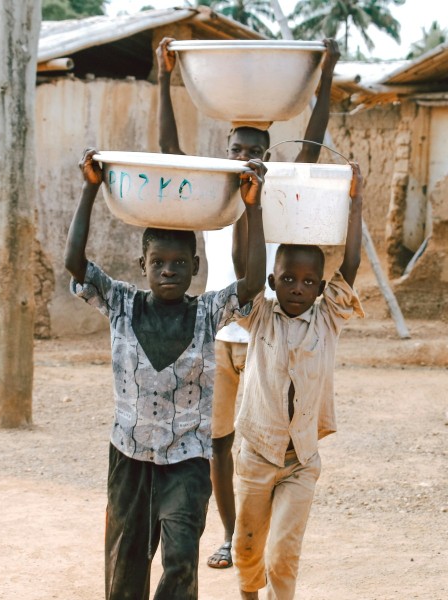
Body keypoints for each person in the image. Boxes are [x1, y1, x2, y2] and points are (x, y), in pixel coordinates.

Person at [156, 35, 341, 569]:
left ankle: (259, 538)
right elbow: (169, 153)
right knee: (218, 441)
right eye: (238, 149)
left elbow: (313, 138)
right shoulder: (213, 194)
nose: (246, 158)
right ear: (226, 151)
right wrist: (164, 75)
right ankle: (233, 537)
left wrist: (325, 71)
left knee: (262, 447)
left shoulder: (280, 191)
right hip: (220, 335)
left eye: (256, 151)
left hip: (267, 338)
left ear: (267, 156)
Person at [64, 148, 267, 600]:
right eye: (158, 263)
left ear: (196, 267)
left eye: (180, 263)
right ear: (143, 267)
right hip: (130, 457)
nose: (169, 271)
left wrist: (252, 207)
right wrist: (90, 188)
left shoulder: (208, 310)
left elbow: (253, 282)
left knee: (180, 560)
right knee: (125, 566)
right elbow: (75, 264)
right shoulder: (121, 303)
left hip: (187, 461)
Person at [231, 162, 365, 599]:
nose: (297, 287)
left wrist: (354, 201)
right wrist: (252, 209)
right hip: (255, 453)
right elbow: (244, 273)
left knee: (283, 555)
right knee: (247, 551)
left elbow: (352, 262)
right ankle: (249, 593)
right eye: (287, 278)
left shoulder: (328, 318)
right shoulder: (260, 316)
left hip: (301, 459)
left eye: (309, 281)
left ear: (321, 287)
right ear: (273, 281)